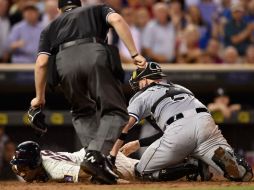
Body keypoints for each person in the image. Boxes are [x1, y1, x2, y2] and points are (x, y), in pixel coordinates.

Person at [30, 0, 146, 184]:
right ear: (80, 4)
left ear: (59, 9)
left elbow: (42, 63)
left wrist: (39, 97)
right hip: (94, 53)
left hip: (63, 63)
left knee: (81, 112)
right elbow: (117, 19)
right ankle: (95, 156)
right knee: (116, 111)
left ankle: (97, 164)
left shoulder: (50, 27)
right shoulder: (96, 9)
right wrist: (134, 53)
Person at [109, 62, 253, 182]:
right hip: (205, 123)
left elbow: (124, 125)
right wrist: (138, 143)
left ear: (145, 80)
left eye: (138, 82)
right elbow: (171, 130)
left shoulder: (142, 95)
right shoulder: (182, 88)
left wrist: (112, 155)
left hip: (179, 130)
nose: (137, 87)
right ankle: (233, 166)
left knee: (141, 172)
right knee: (240, 174)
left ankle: (190, 166)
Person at [10, 141, 200, 183]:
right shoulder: (36, 161)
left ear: (35, 164)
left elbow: (88, 170)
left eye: (24, 167)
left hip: (97, 159)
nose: (21, 170)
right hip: (91, 152)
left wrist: (112, 175)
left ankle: (191, 164)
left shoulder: (54, 169)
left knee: (144, 174)